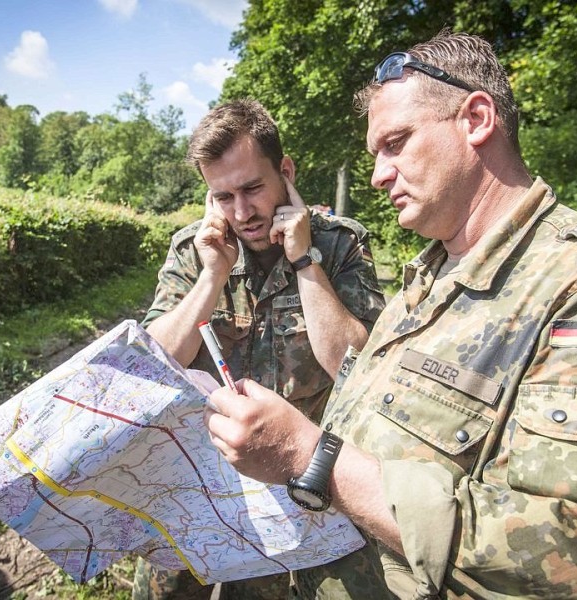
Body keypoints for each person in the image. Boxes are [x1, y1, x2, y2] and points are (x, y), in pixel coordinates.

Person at [204, 31, 577, 599]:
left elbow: (572, 558)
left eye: (395, 143)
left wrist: (306, 456)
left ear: (475, 119)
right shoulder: (429, 275)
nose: (378, 174)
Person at [132, 99, 386, 599]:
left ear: (285, 172)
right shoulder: (193, 249)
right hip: (202, 494)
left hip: (301, 494)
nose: (242, 212)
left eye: (252, 188)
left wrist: (305, 261)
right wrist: (212, 275)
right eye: (222, 196)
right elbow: (151, 366)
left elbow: (358, 369)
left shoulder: (339, 245)